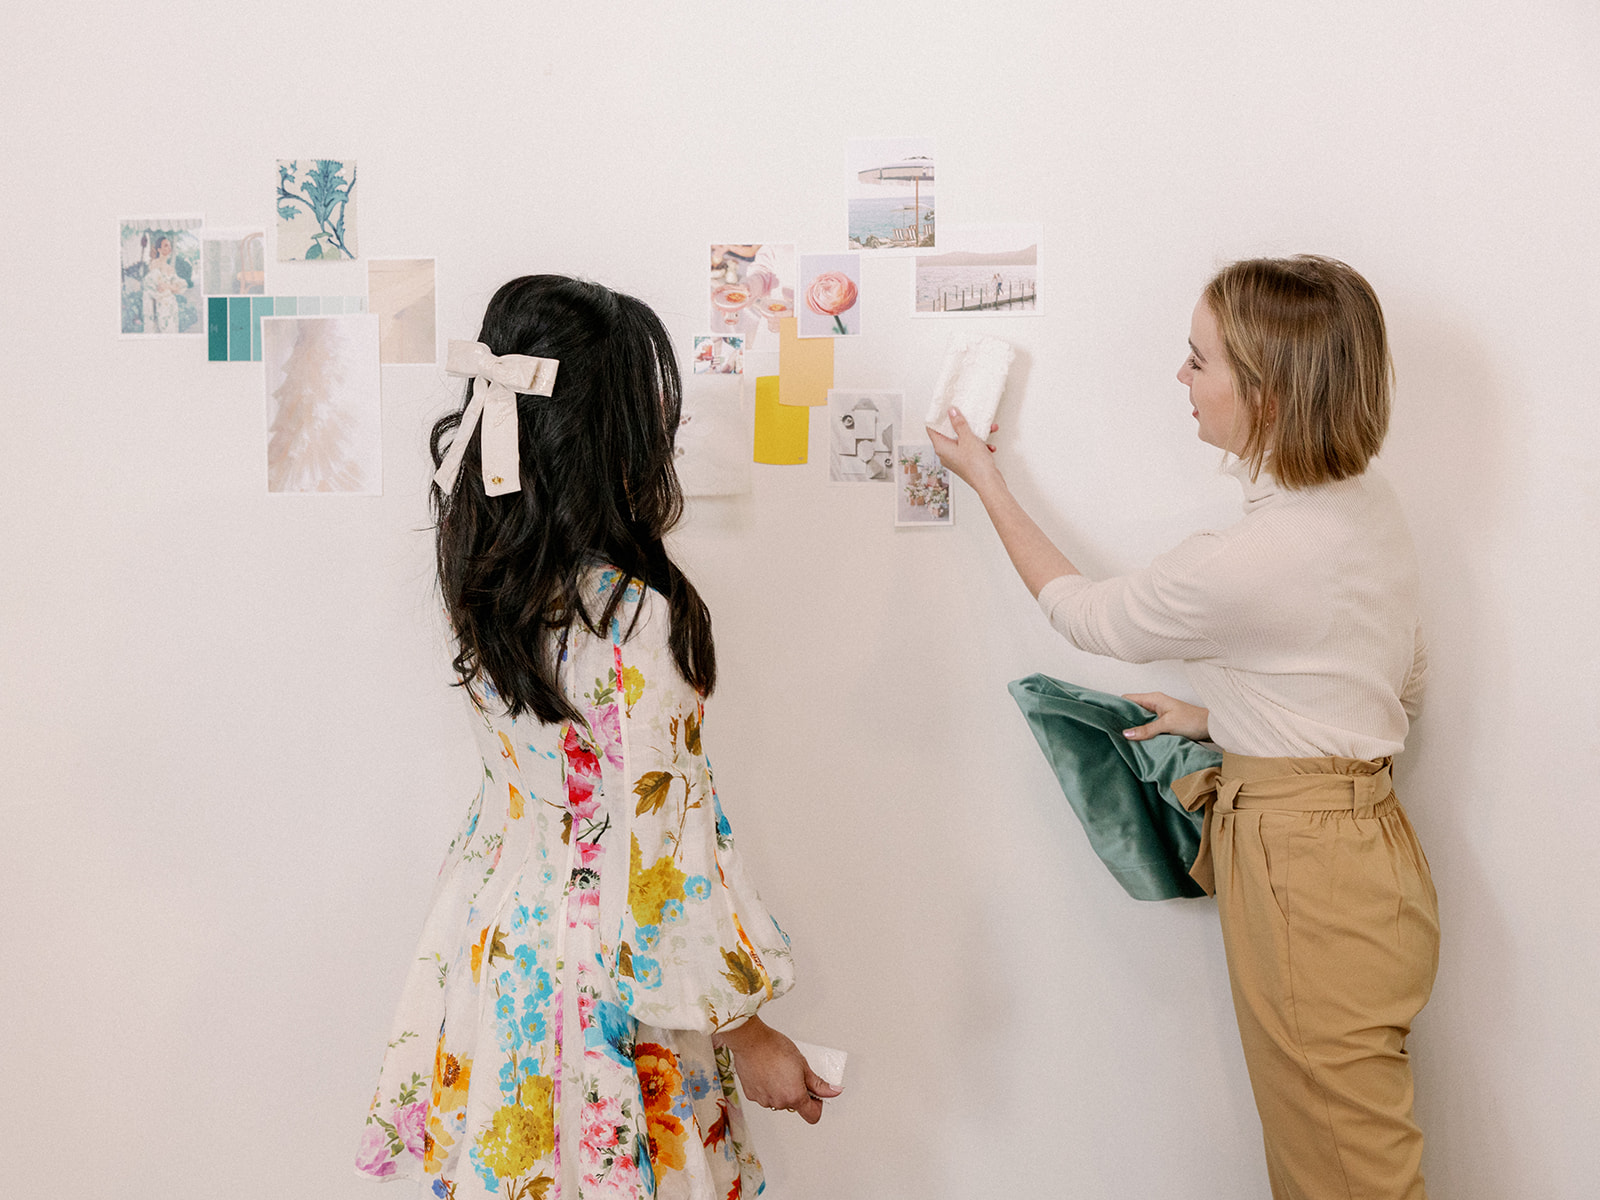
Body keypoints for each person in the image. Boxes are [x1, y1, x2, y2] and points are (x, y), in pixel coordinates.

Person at [931, 255, 1439, 1199]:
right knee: (1352, 1152)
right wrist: (1222, 718)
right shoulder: (1365, 508)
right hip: (1369, 853)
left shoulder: (1250, 559)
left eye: (1198, 360)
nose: (1182, 378)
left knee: (1339, 1174)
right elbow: (1392, 680)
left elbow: (1087, 615)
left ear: (1267, 392)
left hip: (1307, 874)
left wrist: (986, 481)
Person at [358, 275, 839, 1198]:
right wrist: (750, 1037)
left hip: (501, 955)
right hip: (605, 985)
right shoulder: (632, 619)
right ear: (605, 436)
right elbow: (658, 866)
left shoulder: (489, 579)